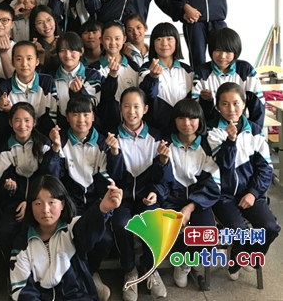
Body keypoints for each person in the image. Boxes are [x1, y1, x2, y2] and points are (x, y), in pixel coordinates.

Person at [41, 95, 121, 300]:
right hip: (70, 203)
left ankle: (88, 272)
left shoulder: (103, 141)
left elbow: (113, 176)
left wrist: (114, 152)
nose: (81, 120)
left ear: (93, 117)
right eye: (75, 114)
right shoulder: (59, 140)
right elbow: (52, 177)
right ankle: (84, 278)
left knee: (104, 239)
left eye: (86, 114)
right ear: (67, 117)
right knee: (71, 236)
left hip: (96, 202)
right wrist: (55, 149)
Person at [207, 82, 281, 280]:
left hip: (250, 193)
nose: (231, 109)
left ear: (244, 104)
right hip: (223, 196)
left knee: (270, 227)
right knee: (240, 231)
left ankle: (245, 256)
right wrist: (230, 141)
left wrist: (253, 193)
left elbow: (265, 168)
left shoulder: (255, 132)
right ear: (217, 106)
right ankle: (239, 257)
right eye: (224, 104)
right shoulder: (213, 131)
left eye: (236, 103)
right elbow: (224, 164)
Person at [10, 175, 122, 301]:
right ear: (30, 206)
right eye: (38, 203)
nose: (45, 210)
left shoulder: (72, 228)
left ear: (62, 204)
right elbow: (22, 290)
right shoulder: (22, 244)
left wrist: (103, 208)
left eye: (52, 202)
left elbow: (89, 226)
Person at [108, 87, 169, 300]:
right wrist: (114, 153)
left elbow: (163, 180)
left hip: (146, 196)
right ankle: (130, 270)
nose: (131, 111)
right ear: (120, 108)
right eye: (127, 106)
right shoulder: (112, 137)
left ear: (145, 109)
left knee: (154, 222)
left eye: (136, 106)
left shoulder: (156, 137)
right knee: (121, 224)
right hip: (122, 197)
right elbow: (112, 176)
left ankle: (150, 269)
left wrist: (156, 189)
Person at [161, 99, 220, 288]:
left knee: (207, 237)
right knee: (169, 231)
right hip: (171, 198)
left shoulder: (209, 146)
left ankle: (185, 262)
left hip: (199, 201)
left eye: (192, 118)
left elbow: (213, 182)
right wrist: (162, 162)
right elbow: (160, 180)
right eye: (181, 118)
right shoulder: (165, 144)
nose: (187, 123)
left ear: (200, 120)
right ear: (174, 120)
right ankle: (179, 257)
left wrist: (190, 206)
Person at [0, 102, 50, 278]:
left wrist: (31, 201)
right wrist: (9, 187)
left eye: (27, 120)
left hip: (41, 200)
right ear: (10, 123)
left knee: (36, 229)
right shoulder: (6, 147)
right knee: (5, 231)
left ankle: (41, 270)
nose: (22, 125)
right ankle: (12, 269)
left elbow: (48, 179)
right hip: (15, 202)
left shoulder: (43, 144)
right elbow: (2, 184)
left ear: (34, 122)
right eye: (17, 120)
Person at [192, 27, 265, 129]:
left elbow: (258, 106)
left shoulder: (245, 70)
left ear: (236, 52)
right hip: (211, 129)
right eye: (218, 50)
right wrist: (207, 102)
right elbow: (195, 110)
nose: (222, 56)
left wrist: (254, 132)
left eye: (228, 51)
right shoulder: (202, 72)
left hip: (241, 128)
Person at [0, 41, 58, 147]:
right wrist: (8, 111)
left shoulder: (46, 82)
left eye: (29, 58)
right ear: (12, 62)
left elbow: (52, 116)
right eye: (19, 59)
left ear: (37, 61)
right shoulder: (5, 87)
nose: (24, 64)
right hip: (14, 140)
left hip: (42, 139)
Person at [139, 23, 193, 137]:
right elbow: (148, 95)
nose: (164, 43)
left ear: (176, 42)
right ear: (153, 43)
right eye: (159, 39)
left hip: (183, 131)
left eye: (169, 39)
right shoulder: (146, 68)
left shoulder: (187, 70)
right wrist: (153, 77)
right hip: (156, 131)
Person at [90, 21, 139, 135]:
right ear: (101, 39)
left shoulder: (133, 67)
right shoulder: (93, 70)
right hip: (105, 127)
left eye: (117, 38)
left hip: (131, 126)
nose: (113, 43)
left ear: (124, 39)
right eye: (108, 38)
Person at [54, 32, 103, 131]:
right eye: (62, 50)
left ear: (81, 51)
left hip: (86, 129)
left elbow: (93, 103)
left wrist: (80, 91)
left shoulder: (92, 75)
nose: (67, 55)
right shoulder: (51, 77)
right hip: (60, 129)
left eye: (72, 50)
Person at [29, 5, 62, 75]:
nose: (46, 25)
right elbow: (33, 75)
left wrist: (56, 54)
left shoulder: (65, 41)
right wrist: (41, 55)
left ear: (54, 20)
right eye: (40, 22)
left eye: (49, 20)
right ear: (34, 27)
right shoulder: (31, 47)